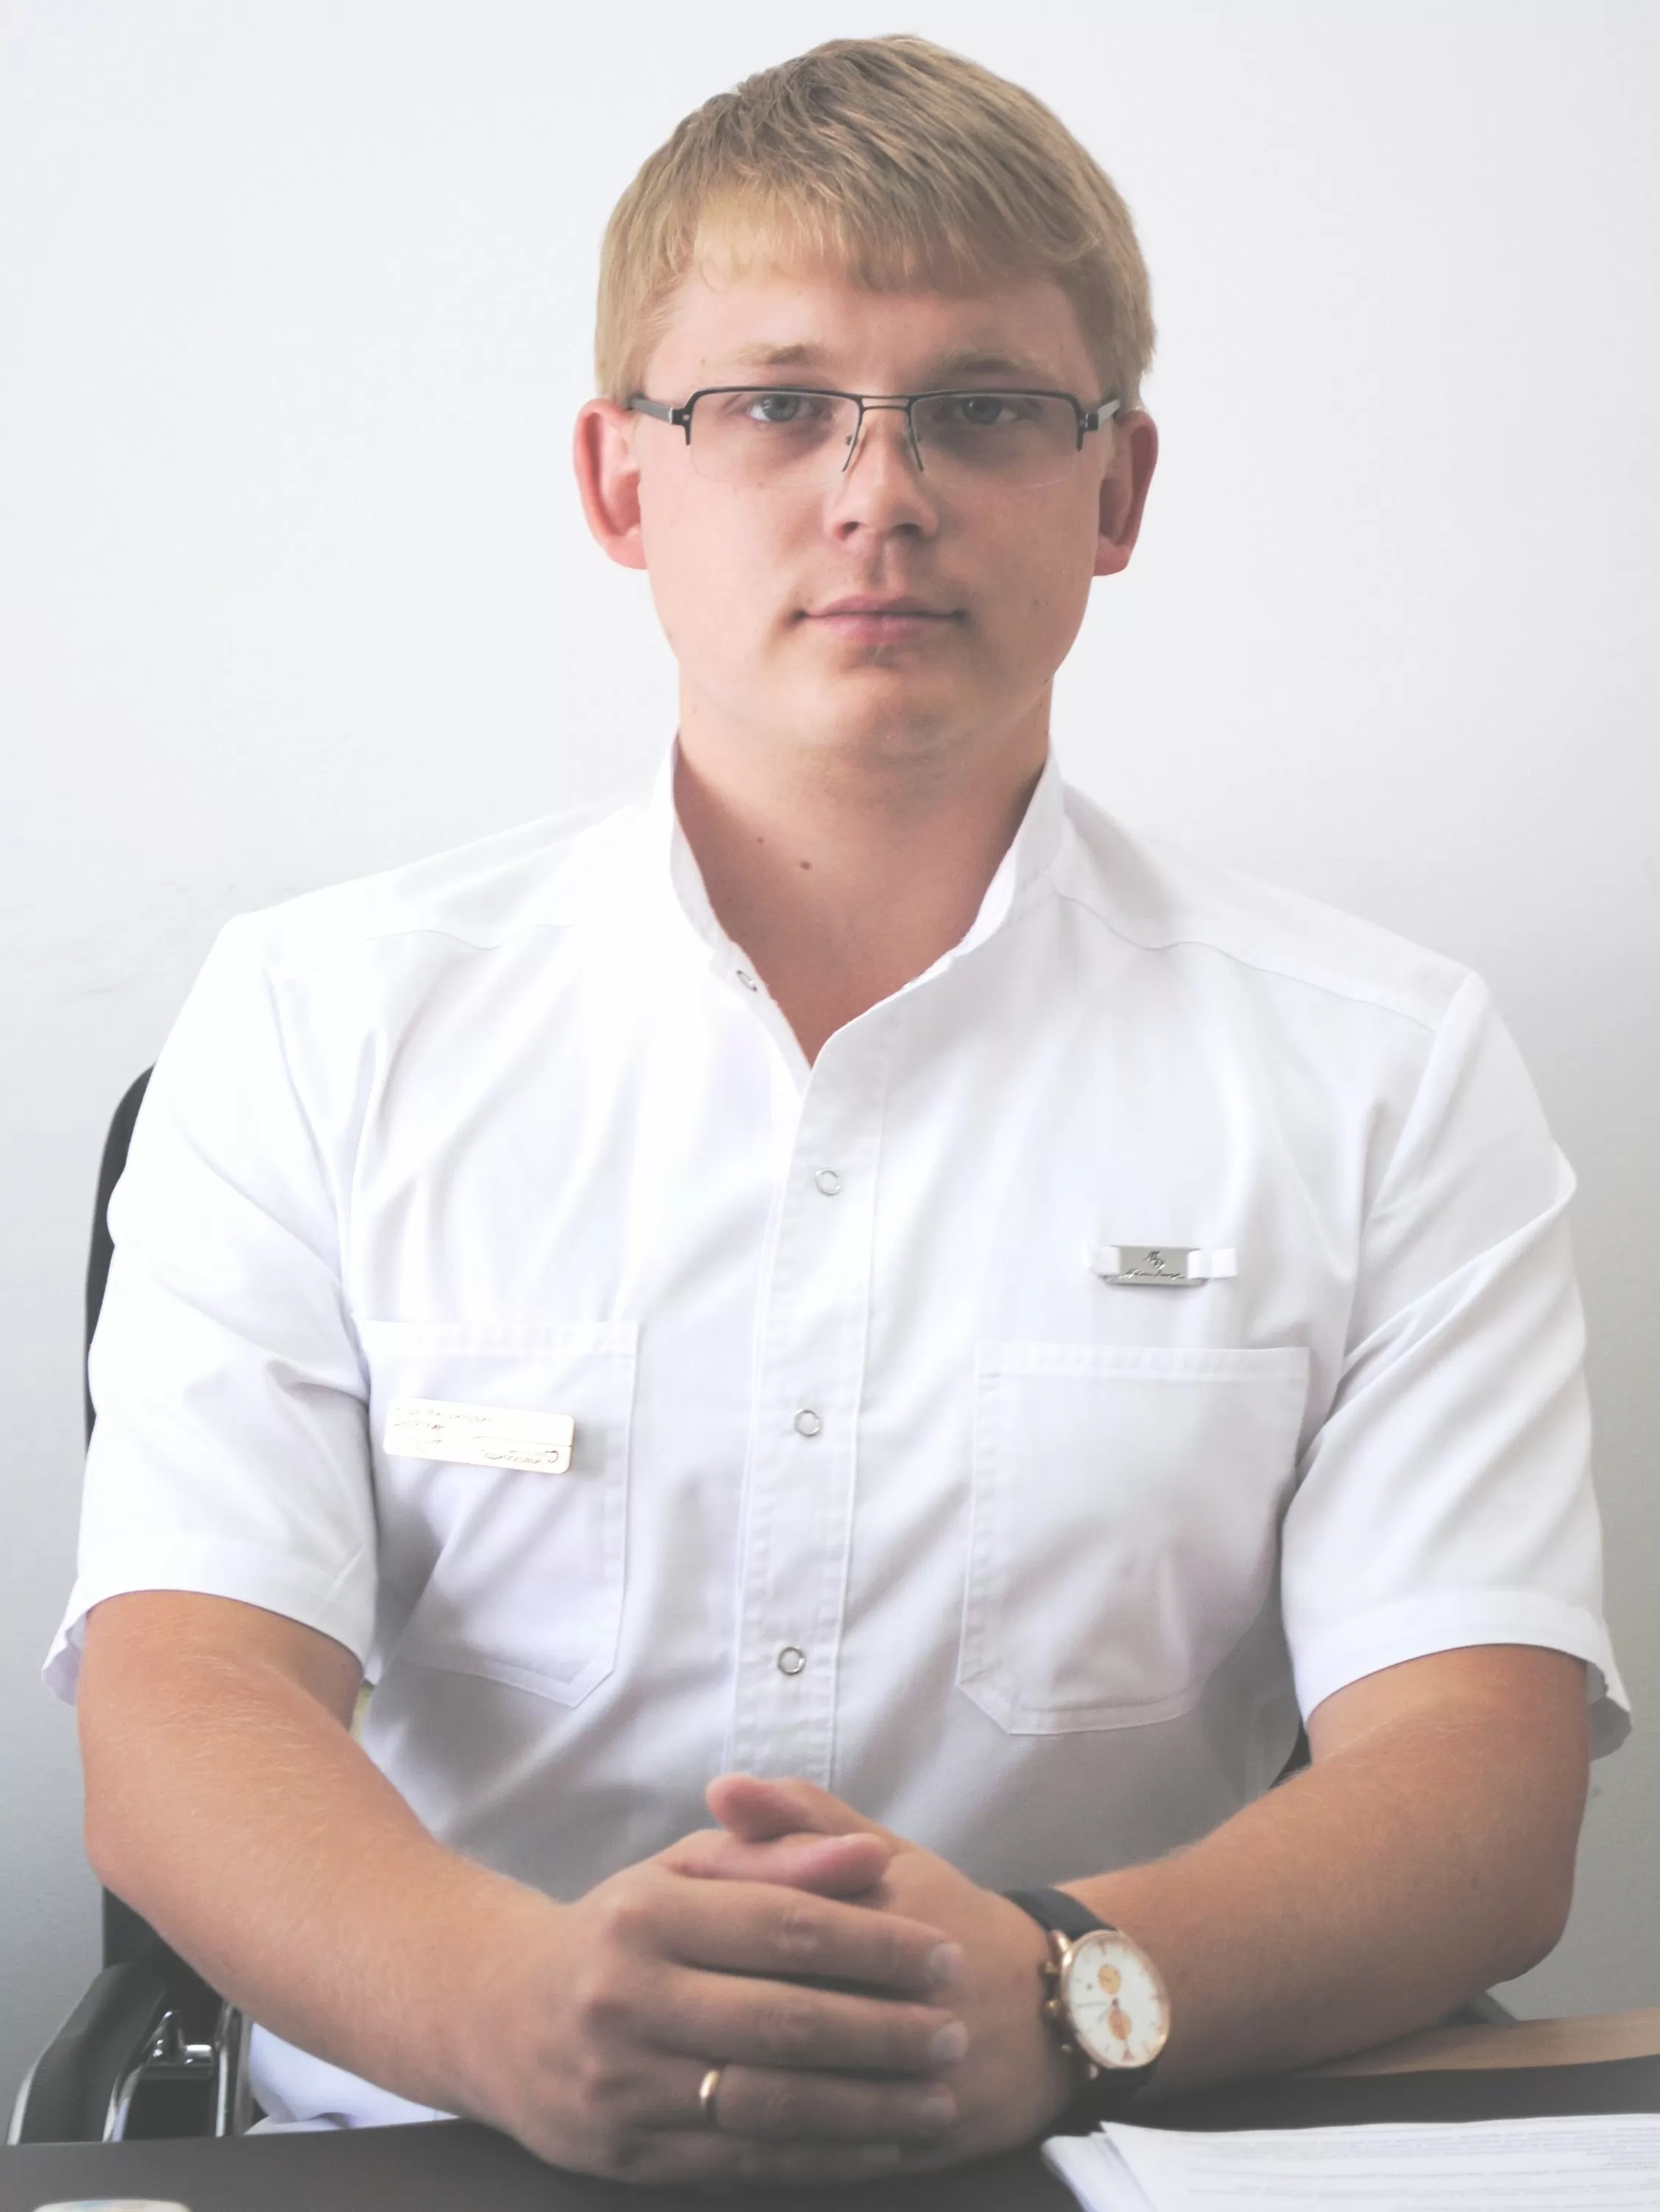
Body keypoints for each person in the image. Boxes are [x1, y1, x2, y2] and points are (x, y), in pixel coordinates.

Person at [52, 33, 1626, 2188]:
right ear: (623, 483)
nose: (879, 492)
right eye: (776, 404)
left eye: (982, 407)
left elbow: (1475, 1774)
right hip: (427, 2126)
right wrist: (508, 2007)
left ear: (1115, 494)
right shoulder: (320, 1022)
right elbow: (186, 1700)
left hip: (1113, 2121)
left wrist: (1063, 1991)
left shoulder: (1381, 1067)